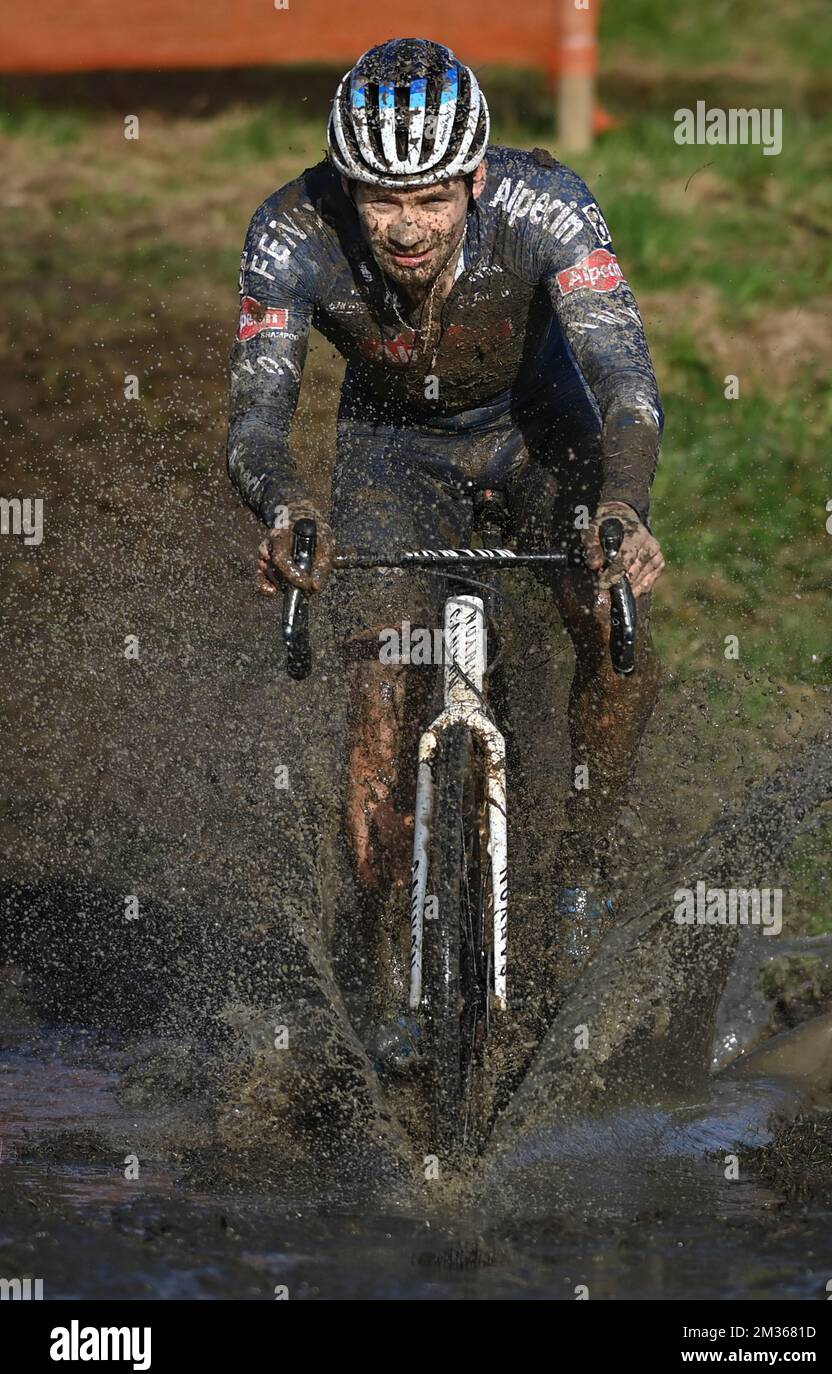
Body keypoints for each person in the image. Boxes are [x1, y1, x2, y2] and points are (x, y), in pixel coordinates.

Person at [226, 37, 665, 1031]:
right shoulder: (289, 231)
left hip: (540, 427)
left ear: (474, 176)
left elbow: (626, 388)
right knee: (382, 680)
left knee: (608, 611)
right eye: (380, 200)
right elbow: (256, 418)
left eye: (429, 198)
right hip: (392, 445)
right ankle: (380, 920)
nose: (405, 228)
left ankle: (587, 867)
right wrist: (288, 510)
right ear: (345, 185)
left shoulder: (546, 204)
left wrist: (620, 507)